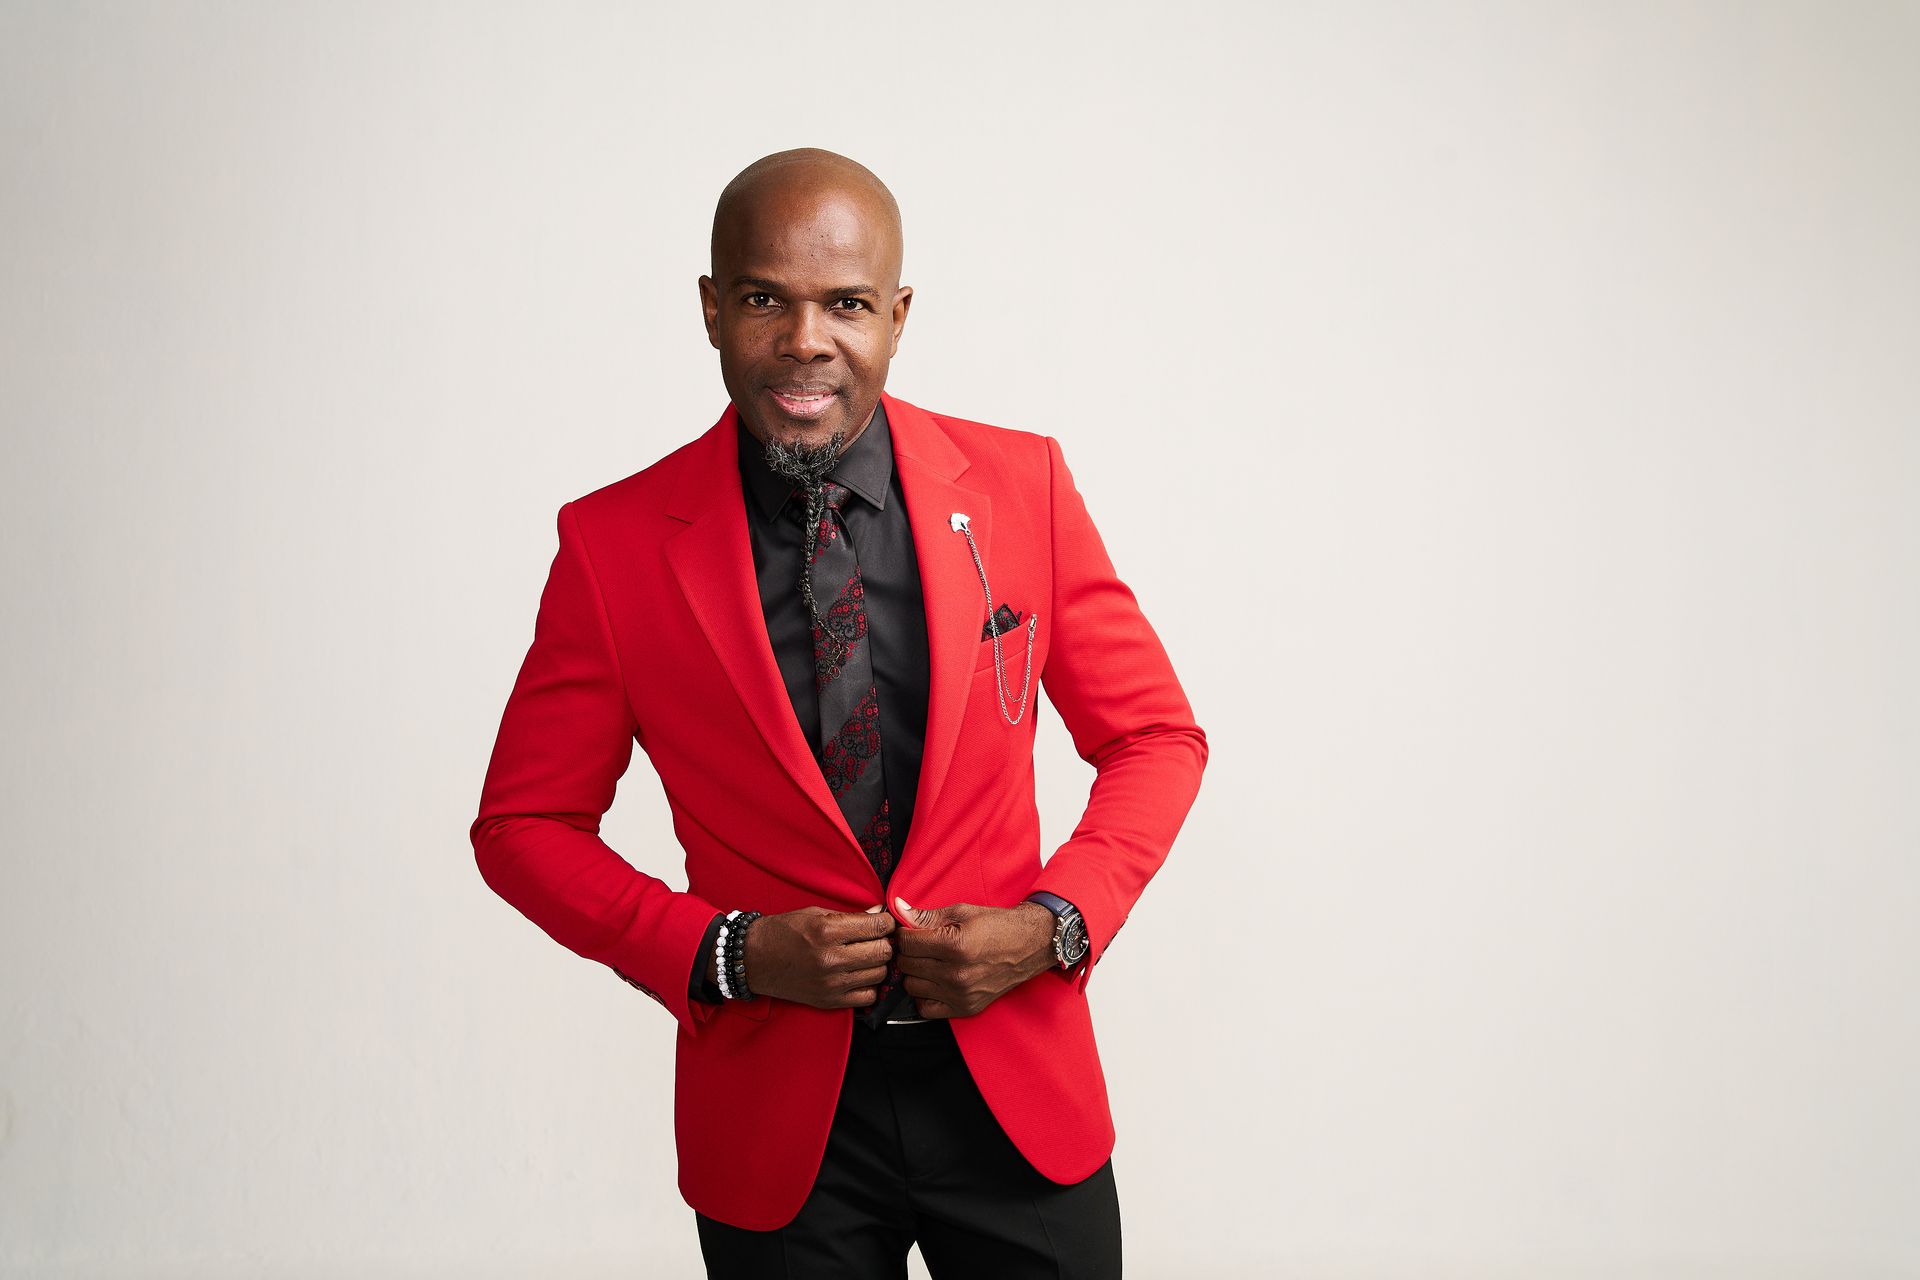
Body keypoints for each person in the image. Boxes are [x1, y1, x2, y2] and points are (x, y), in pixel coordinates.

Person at [469, 147, 1207, 1279]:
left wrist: (1054, 922)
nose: (806, 340)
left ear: (898, 316)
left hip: (1013, 1085)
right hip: (779, 1121)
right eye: (766, 297)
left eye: (846, 303)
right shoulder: (613, 548)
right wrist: (727, 950)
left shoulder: (1022, 490)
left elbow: (1154, 737)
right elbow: (523, 825)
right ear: (712, 308)